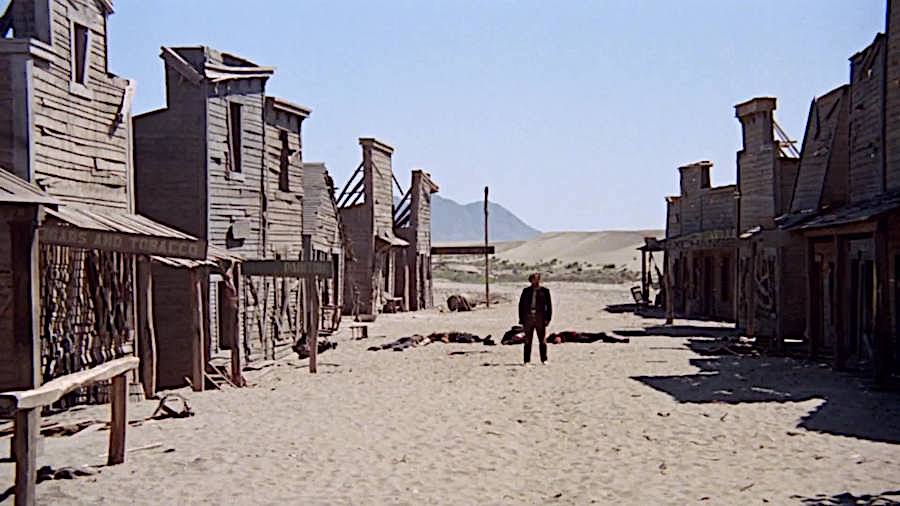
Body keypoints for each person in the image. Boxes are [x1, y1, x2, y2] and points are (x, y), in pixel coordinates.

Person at [517, 272, 552, 365]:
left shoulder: (545, 291)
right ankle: (526, 360)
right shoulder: (526, 291)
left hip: (540, 317)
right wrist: (521, 318)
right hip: (528, 318)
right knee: (528, 340)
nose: (536, 281)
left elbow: (549, 306)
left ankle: (544, 359)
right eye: (534, 279)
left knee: (542, 340)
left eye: (537, 279)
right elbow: (521, 305)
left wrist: (548, 318)